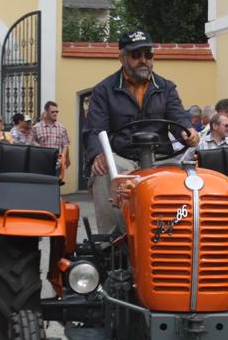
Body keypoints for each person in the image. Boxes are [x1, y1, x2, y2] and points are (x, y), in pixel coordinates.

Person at [82, 29, 199, 233]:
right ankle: (110, 244)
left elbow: (178, 115)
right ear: (122, 58)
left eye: (148, 54)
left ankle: (177, 235)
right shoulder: (104, 90)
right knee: (103, 171)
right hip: (122, 156)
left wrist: (187, 130)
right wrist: (96, 154)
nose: (143, 60)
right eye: (136, 55)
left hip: (160, 157)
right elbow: (94, 128)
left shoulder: (166, 87)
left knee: (188, 176)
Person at [32, 100, 72, 170]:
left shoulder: (62, 127)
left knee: (56, 181)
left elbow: (65, 145)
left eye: (56, 112)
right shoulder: (36, 127)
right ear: (46, 112)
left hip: (57, 165)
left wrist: (63, 158)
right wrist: (38, 146)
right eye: (52, 112)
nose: (55, 114)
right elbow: (31, 142)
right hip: (41, 164)